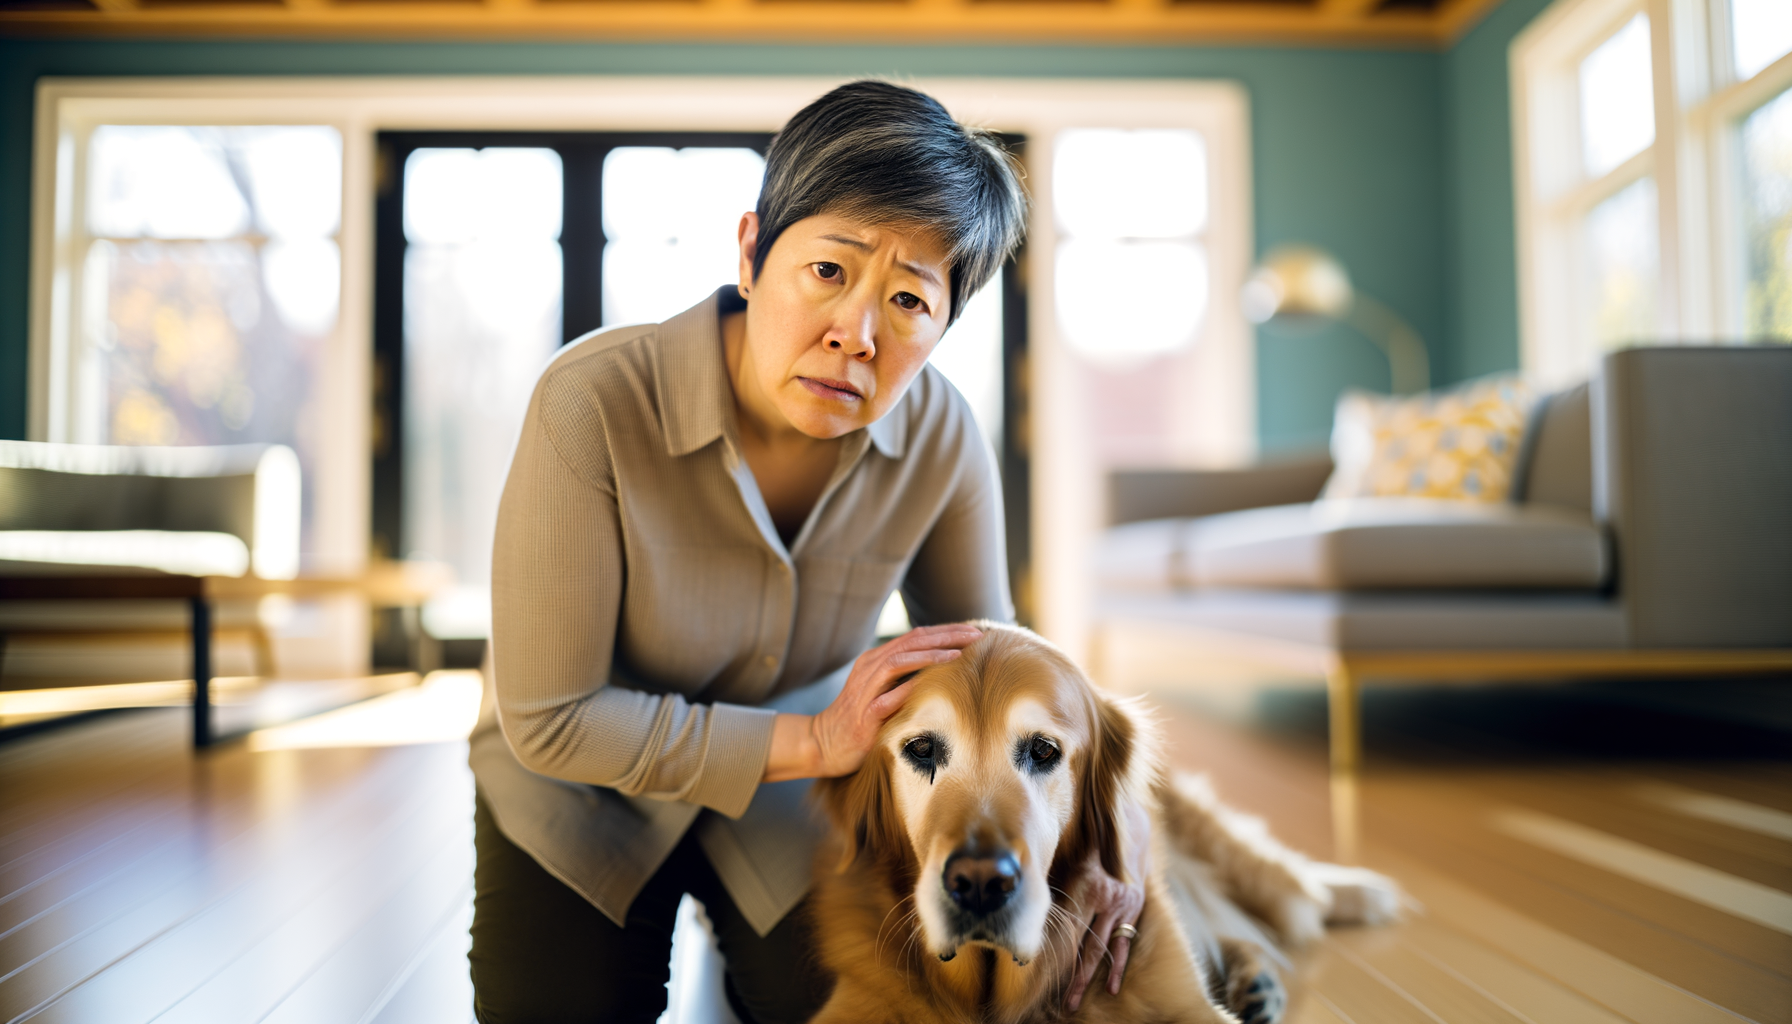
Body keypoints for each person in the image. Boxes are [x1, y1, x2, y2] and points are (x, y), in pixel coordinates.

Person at [467, 80, 1144, 1024]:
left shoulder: (944, 439)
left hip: (794, 804)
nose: (855, 335)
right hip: (583, 787)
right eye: (830, 271)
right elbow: (551, 719)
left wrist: (1114, 843)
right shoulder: (590, 404)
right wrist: (821, 740)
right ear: (753, 252)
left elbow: (995, 669)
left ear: (945, 325)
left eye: (910, 298)